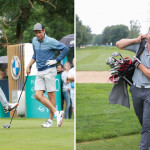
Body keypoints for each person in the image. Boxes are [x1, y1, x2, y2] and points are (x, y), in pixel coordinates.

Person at [26, 23, 69, 128]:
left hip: (49, 70)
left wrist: (56, 60)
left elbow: (66, 49)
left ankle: (50, 121)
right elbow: (35, 55)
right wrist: (29, 65)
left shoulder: (51, 41)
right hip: (39, 71)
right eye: (36, 33)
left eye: (39, 32)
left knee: (51, 95)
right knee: (37, 95)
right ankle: (57, 112)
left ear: (44, 31)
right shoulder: (34, 41)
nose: (38, 35)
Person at [116, 30, 150, 150]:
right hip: (135, 89)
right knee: (142, 119)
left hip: (149, 92)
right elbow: (119, 44)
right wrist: (136, 40)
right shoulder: (141, 45)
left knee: (147, 125)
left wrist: (138, 64)